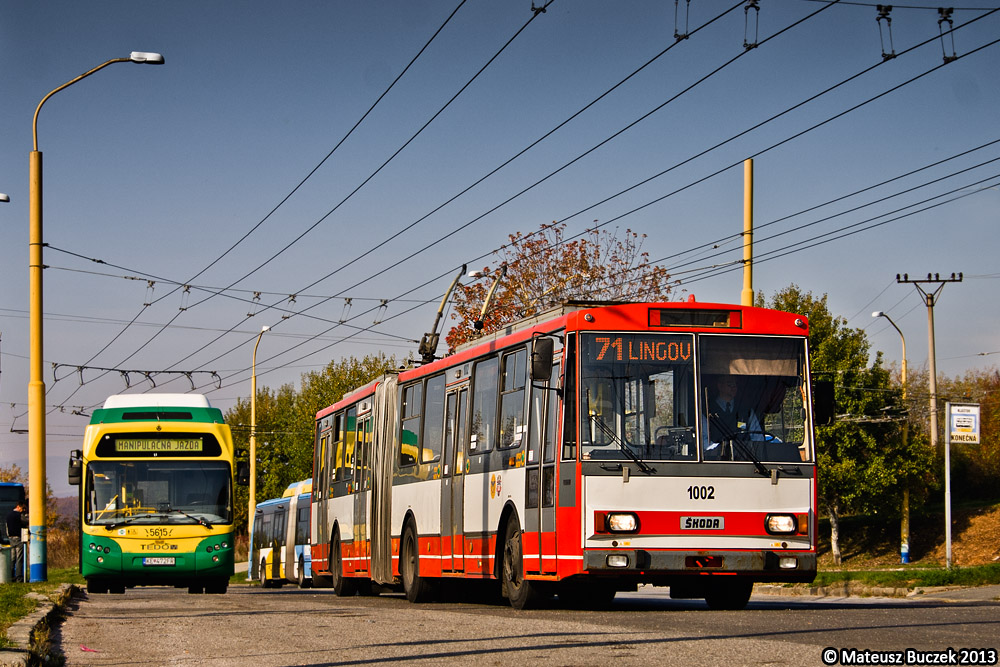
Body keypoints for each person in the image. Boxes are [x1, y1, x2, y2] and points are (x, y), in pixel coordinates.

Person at [704, 376, 763, 459]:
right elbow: (703, 440)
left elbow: (758, 438)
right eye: (730, 384)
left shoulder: (746, 411)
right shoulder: (707, 411)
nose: (734, 387)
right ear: (720, 386)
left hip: (745, 461)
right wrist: (719, 449)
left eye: (735, 384)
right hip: (716, 462)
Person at [5, 499, 27, 582]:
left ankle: (10, 576)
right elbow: (26, 522)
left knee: (12, 558)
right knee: (19, 558)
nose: (23, 510)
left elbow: (7, 527)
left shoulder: (8, 515)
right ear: (18, 507)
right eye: (23, 508)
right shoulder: (19, 515)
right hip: (18, 538)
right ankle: (19, 577)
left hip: (11, 538)